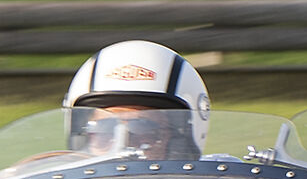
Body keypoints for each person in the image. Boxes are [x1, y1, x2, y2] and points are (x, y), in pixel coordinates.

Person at [63, 40, 212, 162]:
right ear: (83, 138)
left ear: (177, 138)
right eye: (104, 128)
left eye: (144, 129)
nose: (123, 145)